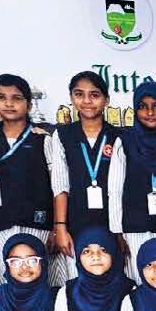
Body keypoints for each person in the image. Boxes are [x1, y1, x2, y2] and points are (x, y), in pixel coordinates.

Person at [0, 74, 56, 286]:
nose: (9, 103)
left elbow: (56, 186)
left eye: (17, 98)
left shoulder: (43, 138)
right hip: (0, 224)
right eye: (1, 97)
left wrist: (56, 227)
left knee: (38, 278)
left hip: (38, 224)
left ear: (29, 105)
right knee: (3, 280)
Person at [50, 71, 120, 279]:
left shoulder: (119, 136)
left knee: (111, 275)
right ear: (72, 98)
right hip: (75, 221)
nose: (87, 101)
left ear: (106, 100)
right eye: (79, 94)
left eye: (94, 95)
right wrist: (60, 227)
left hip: (111, 222)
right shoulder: (63, 135)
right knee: (77, 276)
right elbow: (60, 185)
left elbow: (122, 187)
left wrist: (120, 231)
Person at [109, 81, 156, 279]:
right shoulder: (125, 141)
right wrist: (117, 231)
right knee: (138, 281)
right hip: (133, 230)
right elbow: (115, 188)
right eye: (142, 106)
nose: (150, 113)